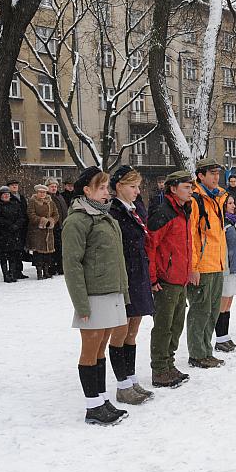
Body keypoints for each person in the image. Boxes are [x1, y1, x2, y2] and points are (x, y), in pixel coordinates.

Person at [62, 166, 130, 426]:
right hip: (92, 295)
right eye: (101, 188)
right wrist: (81, 303)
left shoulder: (105, 217)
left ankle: (101, 399)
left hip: (110, 291)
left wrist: (122, 292)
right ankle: (92, 406)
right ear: (86, 191)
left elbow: (117, 260)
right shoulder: (77, 220)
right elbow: (72, 264)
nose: (106, 192)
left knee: (101, 348)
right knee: (90, 349)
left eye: (106, 187)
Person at [107, 166, 155, 404]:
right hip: (124, 276)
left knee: (133, 330)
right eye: (132, 186)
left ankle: (131, 377)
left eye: (138, 186)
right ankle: (122, 384)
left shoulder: (136, 209)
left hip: (139, 274)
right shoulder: (113, 211)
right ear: (118, 187)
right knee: (121, 330)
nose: (137, 191)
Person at [145, 170, 194, 388]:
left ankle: (169, 363)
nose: (191, 190)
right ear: (173, 189)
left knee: (176, 325)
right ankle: (159, 369)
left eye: (191, 186)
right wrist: (153, 278)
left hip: (180, 278)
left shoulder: (185, 210)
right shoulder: (163, 212)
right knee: (163, 326)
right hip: (166, 280)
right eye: (186, 186)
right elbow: (151, 246)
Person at [185, 158, 228, 369]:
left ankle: (206, 350)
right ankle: (197, 353)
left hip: (217, 264)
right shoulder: (195, 200)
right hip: (202, 266)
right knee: (199, 312)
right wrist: (193, 267)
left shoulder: (216, 198)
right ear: (200, 176)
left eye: (217, 173)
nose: (216, 177)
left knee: (212, 311)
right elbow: (191, 236)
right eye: (212, 173)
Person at [216, 194, 236, 352]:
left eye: (234, 203)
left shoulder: (232, 222)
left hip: (233, 268)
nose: (233, 206)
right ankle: (220, 337)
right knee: (223, 302)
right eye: (230, 203)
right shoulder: (223, 224)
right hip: (225, 269)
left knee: (229, 303)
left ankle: (225, 336)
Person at [0, 186, 24, 283]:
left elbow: (21, 217)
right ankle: (6, 275)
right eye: (4, 194)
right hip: (2, 234)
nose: (6, 196)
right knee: (3, 256)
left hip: (14, 234)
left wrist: (16, 225)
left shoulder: (15, 204)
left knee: (13, 255)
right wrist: (8, 225)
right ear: (0, 196)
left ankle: (12, 273)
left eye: (8, 194)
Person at [27, 184, 59, 280]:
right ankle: (39, 272)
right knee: (38, 253)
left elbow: (56, 214)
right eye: (40, 192)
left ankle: (46, 271)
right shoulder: (33, 201)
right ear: (37, 193)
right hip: (37, 231)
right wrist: (42, 221)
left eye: (44, 192)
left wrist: (51, 221)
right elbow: (31, 214)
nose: (42, 194)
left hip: (48, 231)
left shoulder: (51, 202)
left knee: (47, 252)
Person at [7, 178, 29, 279]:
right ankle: (13, 271)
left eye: (16, 185)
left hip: (22, 226)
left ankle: (19, 270)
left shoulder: (22, 197)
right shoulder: (8, 197)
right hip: (13, 227)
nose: (15, 187)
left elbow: (25, 211)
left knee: (20, 250)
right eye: (12, 185)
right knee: (13, 251)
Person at [46, 177, 69, 275]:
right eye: (52, 186)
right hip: (52, 226)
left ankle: (60, 267)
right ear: (47, 187)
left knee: (61, 248)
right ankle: (52, 267)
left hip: (62, 225)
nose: (54, 188)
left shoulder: (60, 196)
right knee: (52, 248)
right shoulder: (47, 197)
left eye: (55, 186)